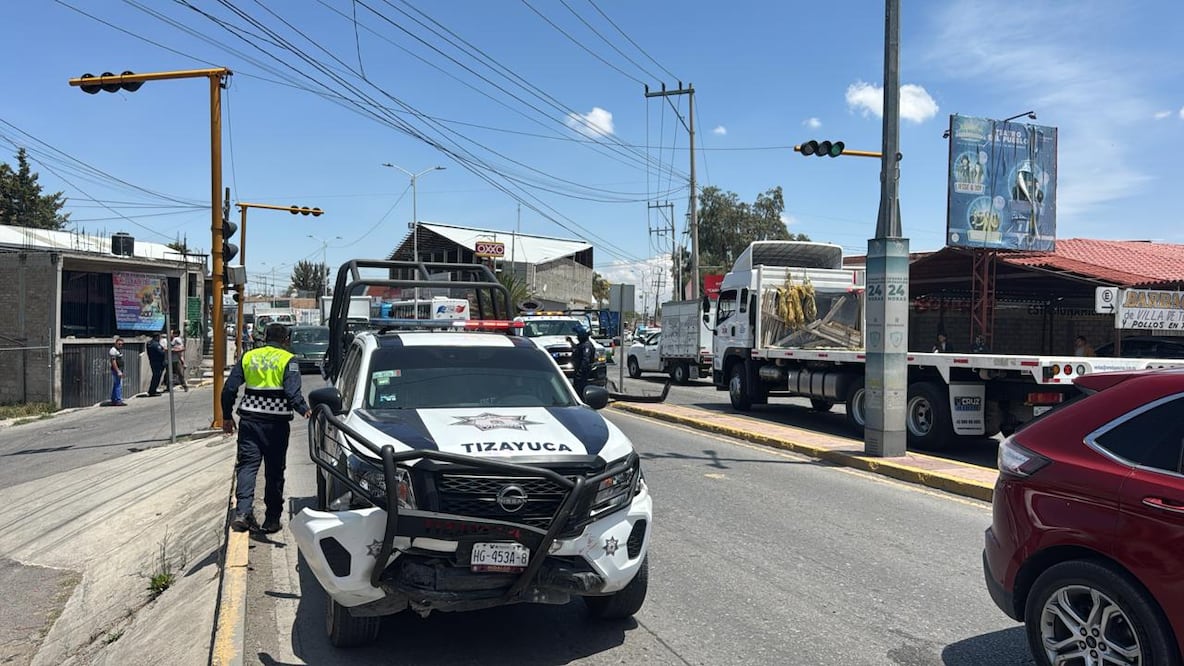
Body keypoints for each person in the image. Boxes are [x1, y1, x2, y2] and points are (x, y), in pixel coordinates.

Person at [222, 323, 311, 534]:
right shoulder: (289, 359)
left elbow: (230, 389)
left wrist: (227, 416)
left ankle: (243, 512)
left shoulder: (249, 356)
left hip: (249, 422)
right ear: (285, 340)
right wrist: (305, 410)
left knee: (247, 466)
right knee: (274, 471)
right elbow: (292, 393)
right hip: (276, 425)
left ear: (264, 338)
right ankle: (272, 519)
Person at [570, 323, 596, 398]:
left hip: (583, 374)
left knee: (580, 391)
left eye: (578, 335)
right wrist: (571, 342)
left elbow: (586, 359)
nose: (577, 337)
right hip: (578, 371)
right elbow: (577, 348)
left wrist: (580, 372)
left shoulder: (586, 345)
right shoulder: (582, 344)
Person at [146, 331, 166, 396]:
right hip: (158, 362)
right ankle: (152, 391)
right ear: (157, 337)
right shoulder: (155, 344)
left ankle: (153, 390)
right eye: (159, 337)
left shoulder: (149, 343)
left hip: (153, 361)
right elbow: (161, 353)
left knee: (155, 376)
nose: (160, 338)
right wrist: (164, 350)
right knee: (156, 377)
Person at [108, 337, 127, 406]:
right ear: (115, 343)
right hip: (116, 370)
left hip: (119, 370)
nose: (120, 345)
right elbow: (113, 362)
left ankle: (113, 399)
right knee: (118, 385)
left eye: (122, 344)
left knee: (116, 385)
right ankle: (118, 400)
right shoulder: (113, 350)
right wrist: (118, 371)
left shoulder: (118, 350)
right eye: (119, 344)